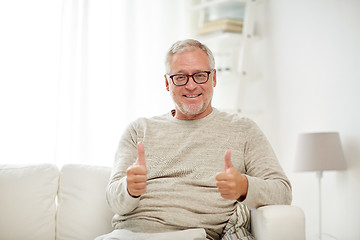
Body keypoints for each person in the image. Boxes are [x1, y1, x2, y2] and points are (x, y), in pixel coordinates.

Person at [97, 39, 292, 240]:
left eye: (200, 75)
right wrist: (129, 189)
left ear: (213, 78)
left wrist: (244, 186)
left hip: (194, 236)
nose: (191, 85)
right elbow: (114, 200)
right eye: (180, 77)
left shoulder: (243, 129)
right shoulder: (138, 130)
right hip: (129, 235)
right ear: (167, 82)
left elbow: (282, 192)